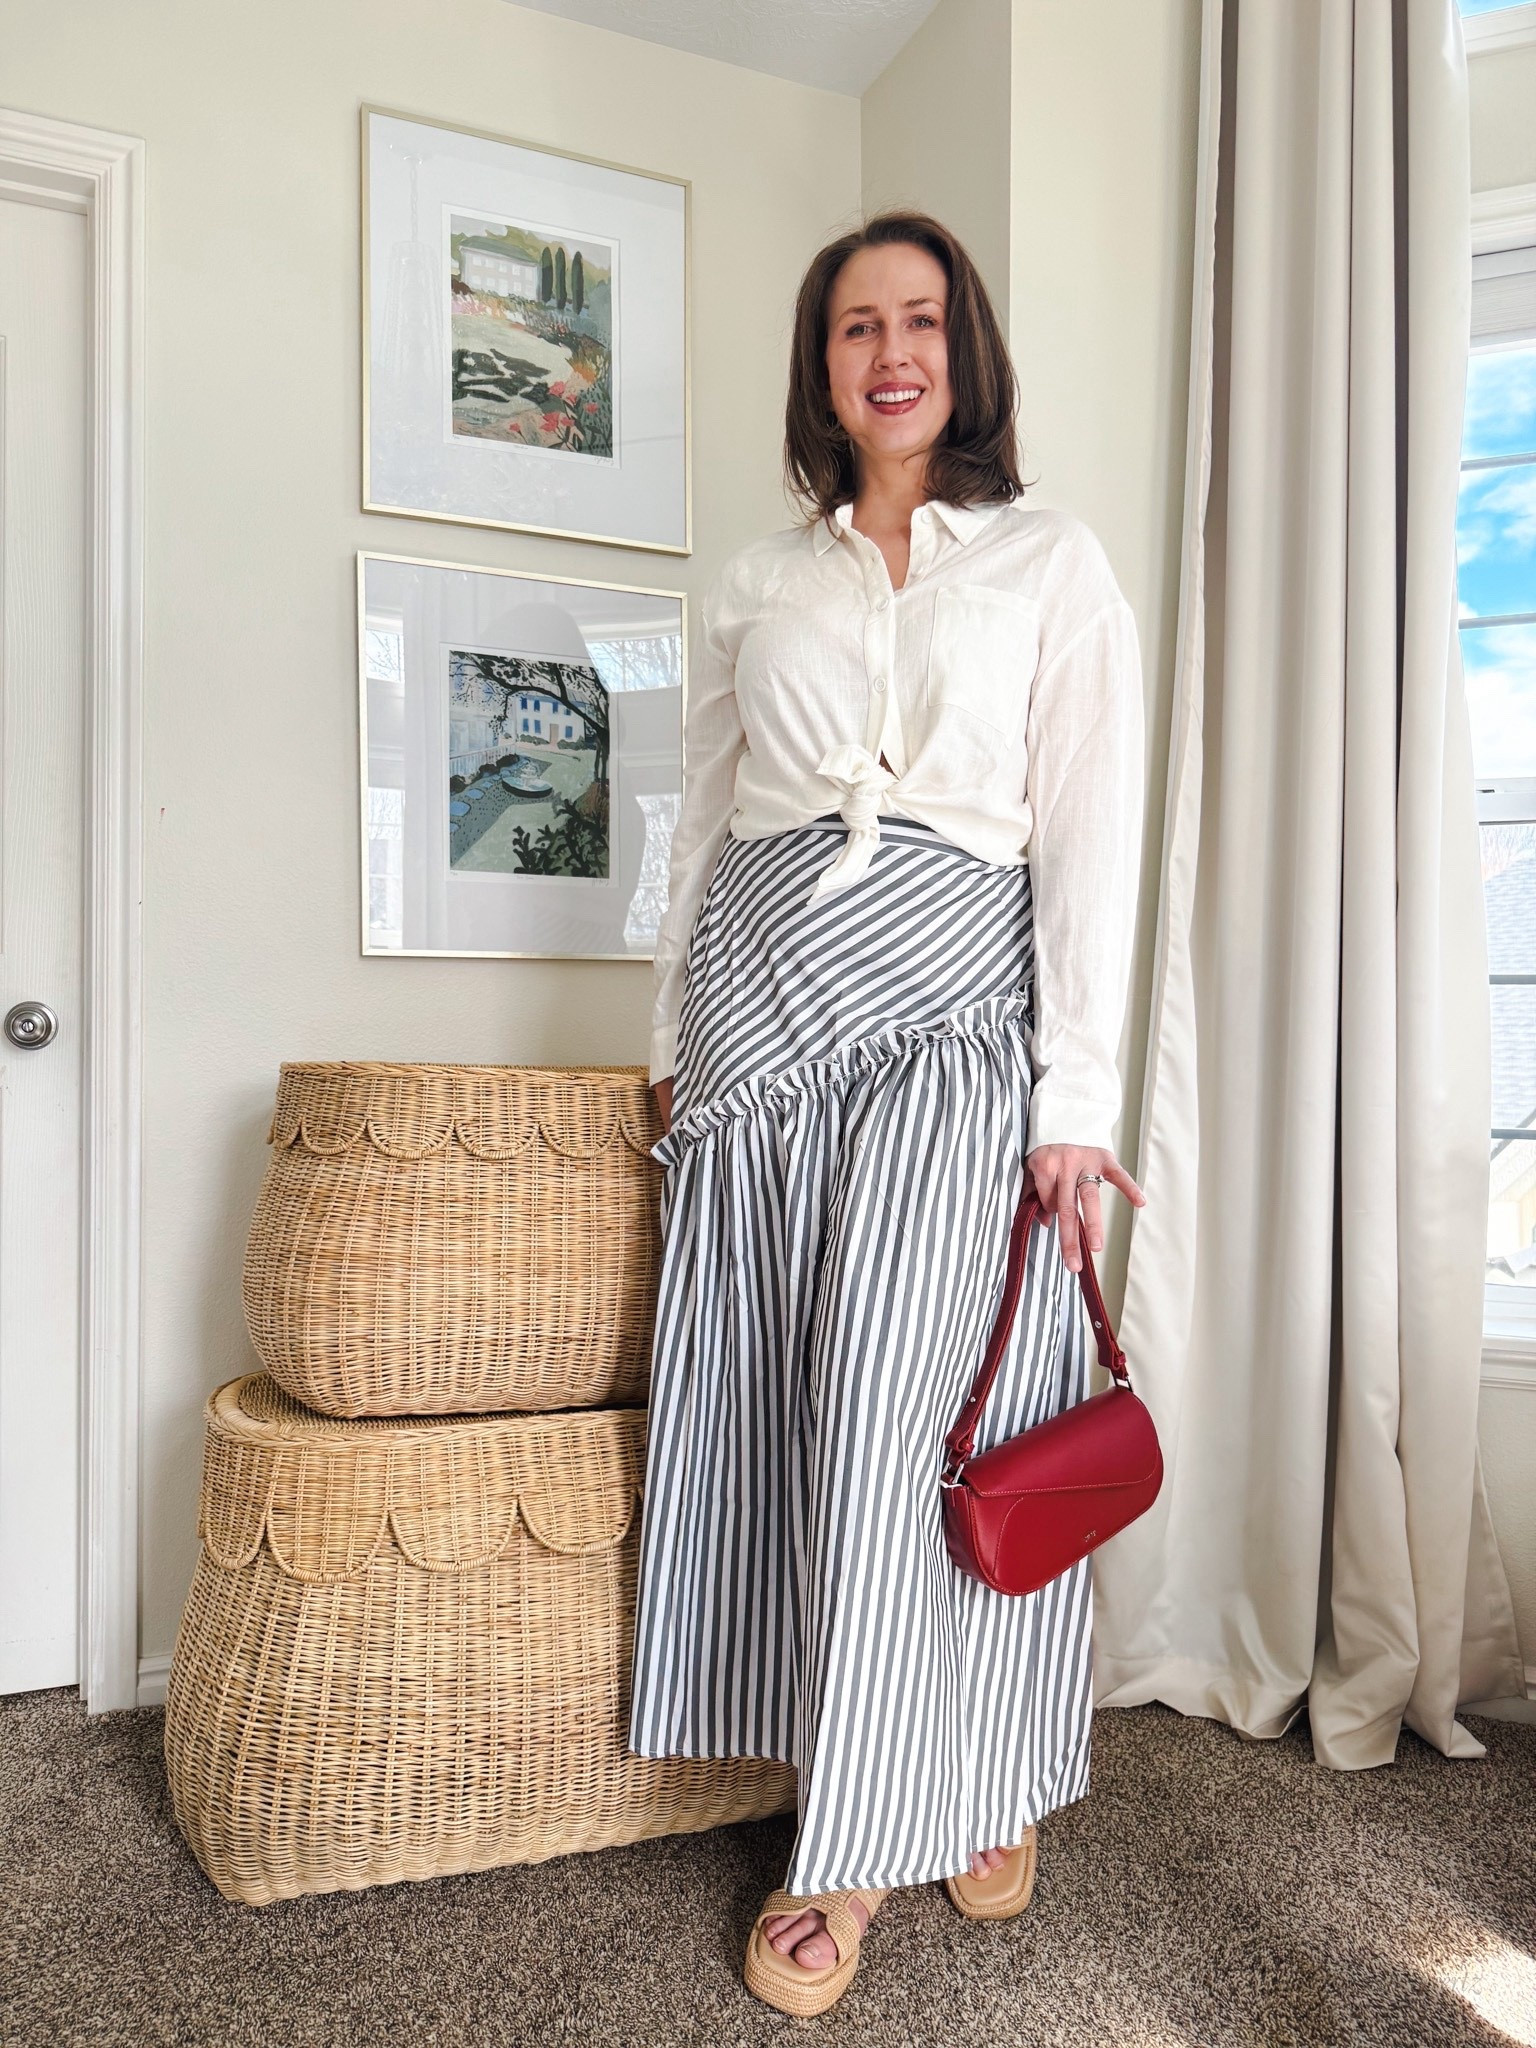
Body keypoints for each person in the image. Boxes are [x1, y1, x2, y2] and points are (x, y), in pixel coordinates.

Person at [625, 207, 1147, 2018]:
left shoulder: (1053, 563)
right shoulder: (757, 581)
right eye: (857, 325)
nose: (891, 351)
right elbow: (702, 824)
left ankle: (874, 1837)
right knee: (777, 1412)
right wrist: (679, 1036)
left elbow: (1088, 840)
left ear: (964, 350)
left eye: (921, 319)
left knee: (912, 1421)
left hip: (951, 1031)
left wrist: (1076, 1094)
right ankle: (900, 1777)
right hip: (765, 1032)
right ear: (822, 365)